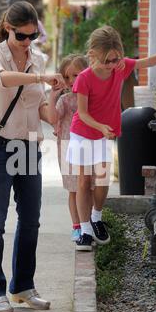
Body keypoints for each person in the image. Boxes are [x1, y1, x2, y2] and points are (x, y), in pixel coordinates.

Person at [0, 1, 65, 312]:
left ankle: (22, 286)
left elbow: (40, 108)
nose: (28, 42)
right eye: (22, 36)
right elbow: (1, 79)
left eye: (32, 36)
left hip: (28, 146)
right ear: (8, 28)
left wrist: (54, 102)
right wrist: (41, 78)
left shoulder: (38, 60)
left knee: (30, 220)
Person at [67, 25, 156, 251]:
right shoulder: (85, 78)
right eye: (106, 61)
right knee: (84, 181)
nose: (112, 65)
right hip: (83, 132)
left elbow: (145, 62)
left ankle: (97, 218)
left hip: (102, 133)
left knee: (102, 180)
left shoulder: (120, 68)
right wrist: (101, 126)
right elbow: (84, 114)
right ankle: (86, 232)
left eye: (115, 59)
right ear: (93, 55)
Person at [47, 54, 95, 242]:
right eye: (67, 77)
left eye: (76, 75)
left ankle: (88, 223)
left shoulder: (92, 97)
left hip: (89, 145)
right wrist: (52, 96)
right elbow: (52, 118)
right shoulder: (65, 100)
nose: (71, 81)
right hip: (67, 148)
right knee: (73, 189)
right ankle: (77, 226)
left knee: (89, 186)